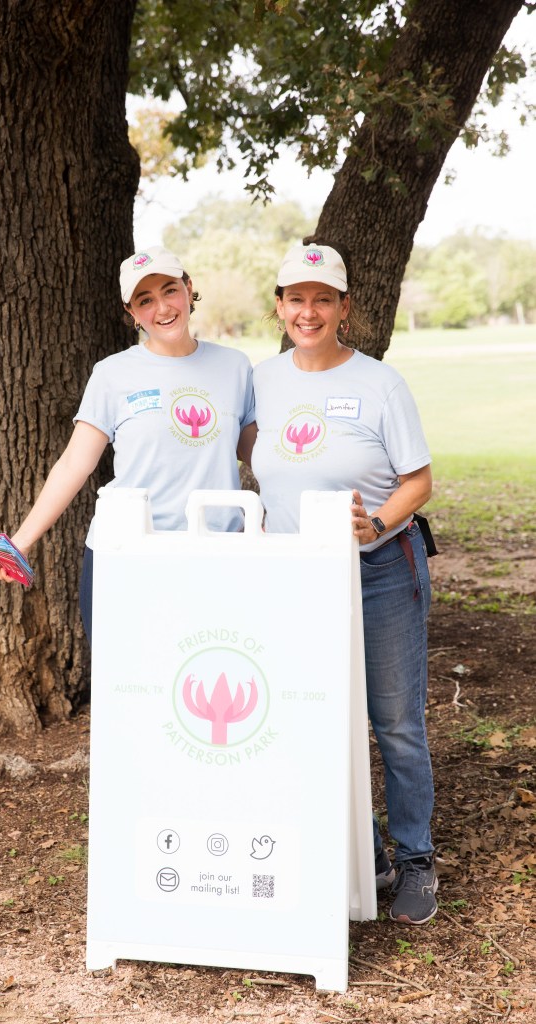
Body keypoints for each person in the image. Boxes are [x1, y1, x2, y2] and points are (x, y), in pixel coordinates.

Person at [250, 239, 437, 925]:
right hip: (297, 577)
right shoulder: (261, 382)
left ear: (342, 308)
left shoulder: (378, 383)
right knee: (318, 716)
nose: (308, 311)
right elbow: (249, 463)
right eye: (295, 298)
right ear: (279, 306)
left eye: (321, 299)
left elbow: (417, 480)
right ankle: (368, 859)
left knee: (394, 722)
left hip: (380, 569)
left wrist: (377, 524)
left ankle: (415, 859)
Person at [0, 245, 257, 644]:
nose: (162, 308)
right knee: (130, 689)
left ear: (188, 289)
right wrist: (20, 542)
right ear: (131, 312)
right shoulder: (113, 374)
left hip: (216, 552)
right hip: (127, 551)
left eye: (169, 290)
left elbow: (259, 455)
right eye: (145, 300)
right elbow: (74, 465)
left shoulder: (234, 366)